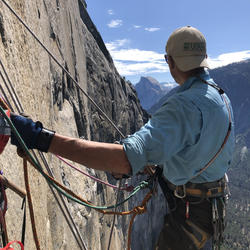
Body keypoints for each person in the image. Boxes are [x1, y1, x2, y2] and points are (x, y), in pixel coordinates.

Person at [10, 26, 235, 250]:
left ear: (171, 62)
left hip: (187, 219)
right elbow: (195, 149)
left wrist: (39, 137)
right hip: (207, 214)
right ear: (203, 58)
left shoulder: (183, 105)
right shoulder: (220, 97)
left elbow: (124, 160)